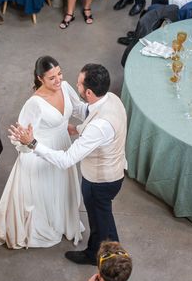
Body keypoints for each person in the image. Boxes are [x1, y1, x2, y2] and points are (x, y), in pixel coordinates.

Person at [10, 64, 127, 266]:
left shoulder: (98, 127)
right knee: (100, 218)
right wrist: (79, 127)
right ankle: (101, 251)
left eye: (79, 83)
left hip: (101, 180)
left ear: (88, 92)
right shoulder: (112, 99)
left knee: (102, 219)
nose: (72, 84)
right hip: (115, 170)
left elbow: (65, 160)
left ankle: (107, 259)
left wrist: (32, 143)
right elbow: (88, 113)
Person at [0, 56, 84, 248]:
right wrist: (27, 142)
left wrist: (91, 119)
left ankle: (61, 220)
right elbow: (19, 138)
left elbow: (79, 108)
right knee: (45, 194)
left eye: (59, 73)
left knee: (61, 188)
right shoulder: (34, 103)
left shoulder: (65, 87)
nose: (58, 80)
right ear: (40, 79)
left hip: (62, 147)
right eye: (52, 78)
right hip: (40, 153)